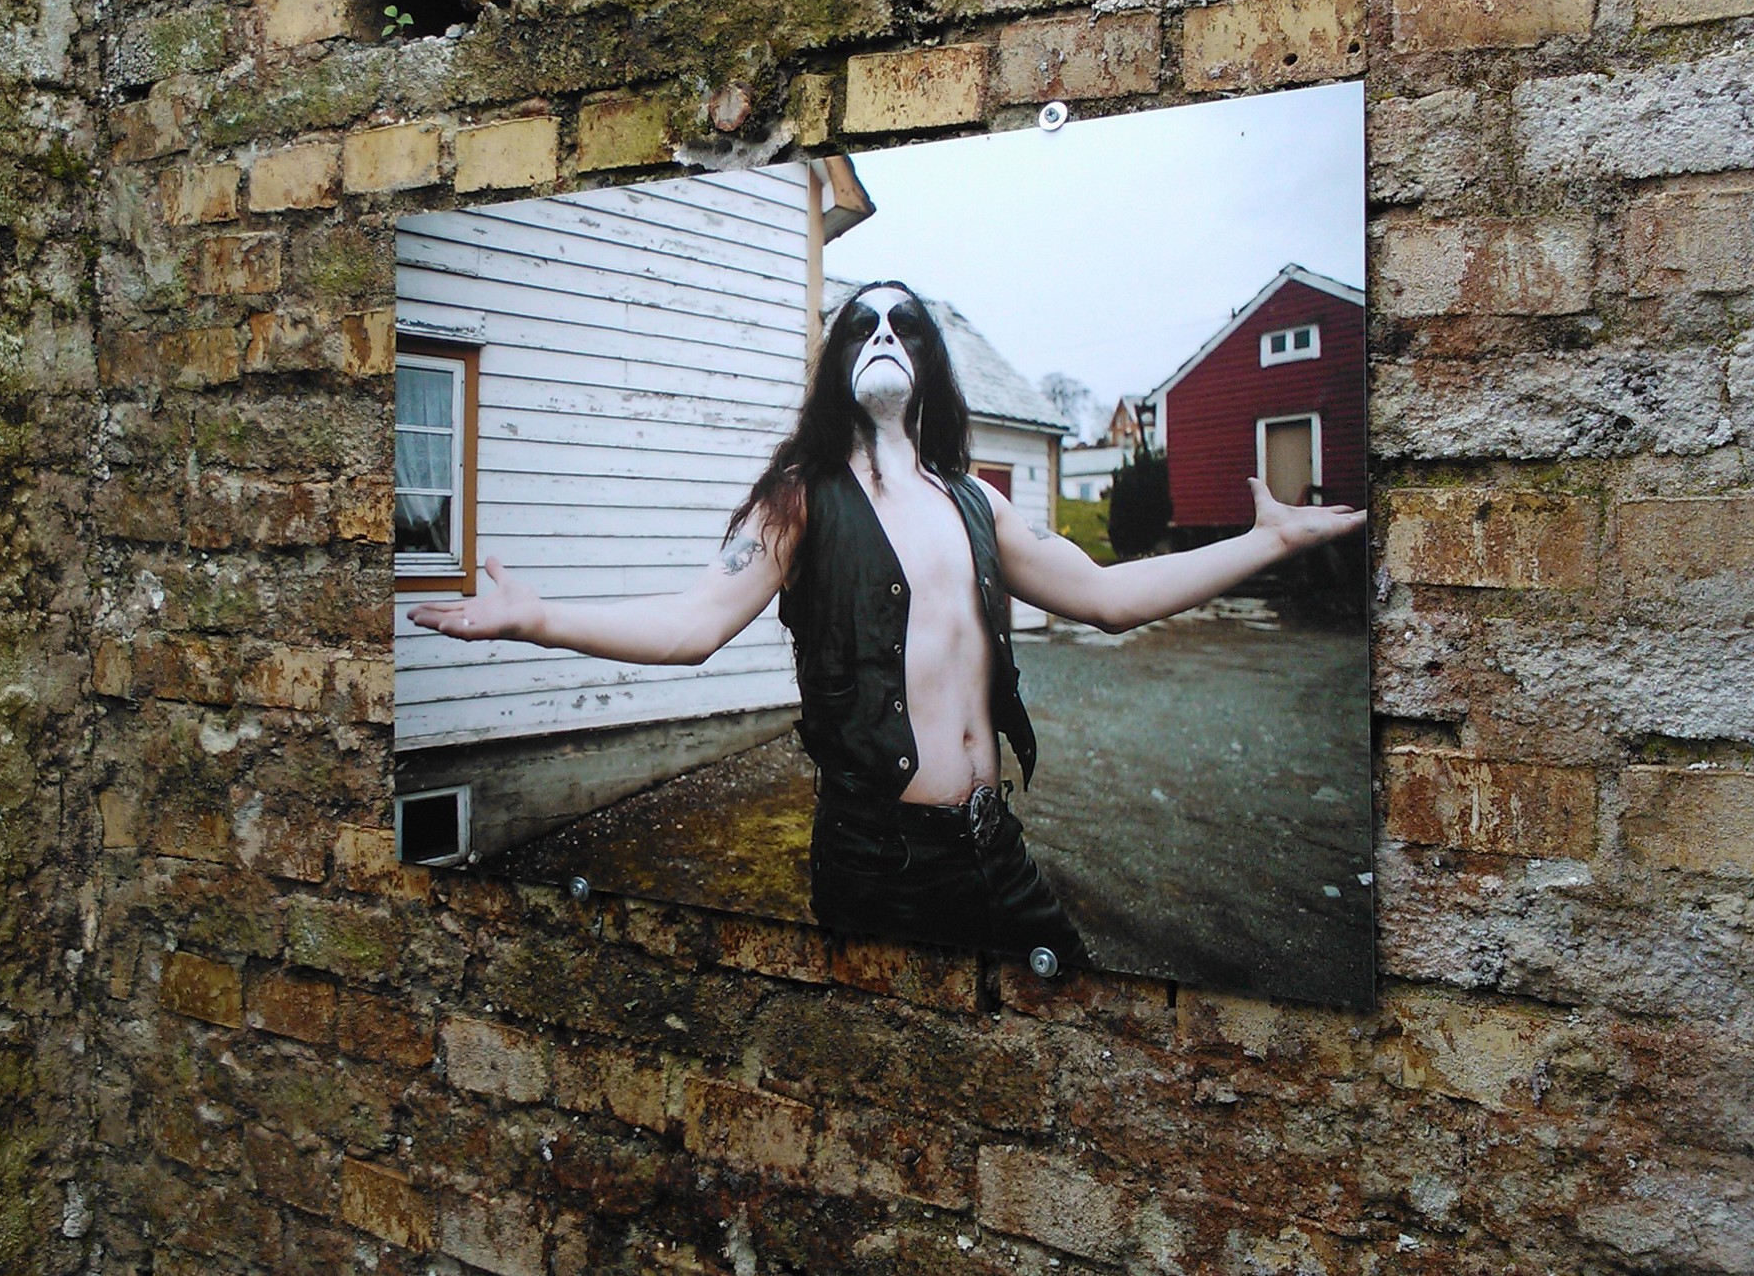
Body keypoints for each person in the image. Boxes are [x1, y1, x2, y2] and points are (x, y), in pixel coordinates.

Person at [408, 281, 1366, 976]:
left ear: (927, 365)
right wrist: (537, 619)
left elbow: (1112, 597)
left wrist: (1264, 541)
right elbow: (693, 624)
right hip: (881, 863)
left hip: (999, 852)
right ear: (837, 364)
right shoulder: (801, 500)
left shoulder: (977, 504)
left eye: (903, 324)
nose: (882, 334)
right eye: (860, 323)